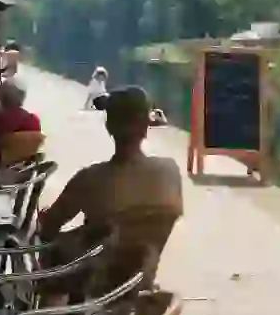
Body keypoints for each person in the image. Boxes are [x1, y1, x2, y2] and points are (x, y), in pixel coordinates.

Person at [39, 86, 182, 269]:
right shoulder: (170, 172)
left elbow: (49, 228)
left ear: (109, 127)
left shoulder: (89, 180)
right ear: (147, 126)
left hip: (91, 283)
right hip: (137, 279)